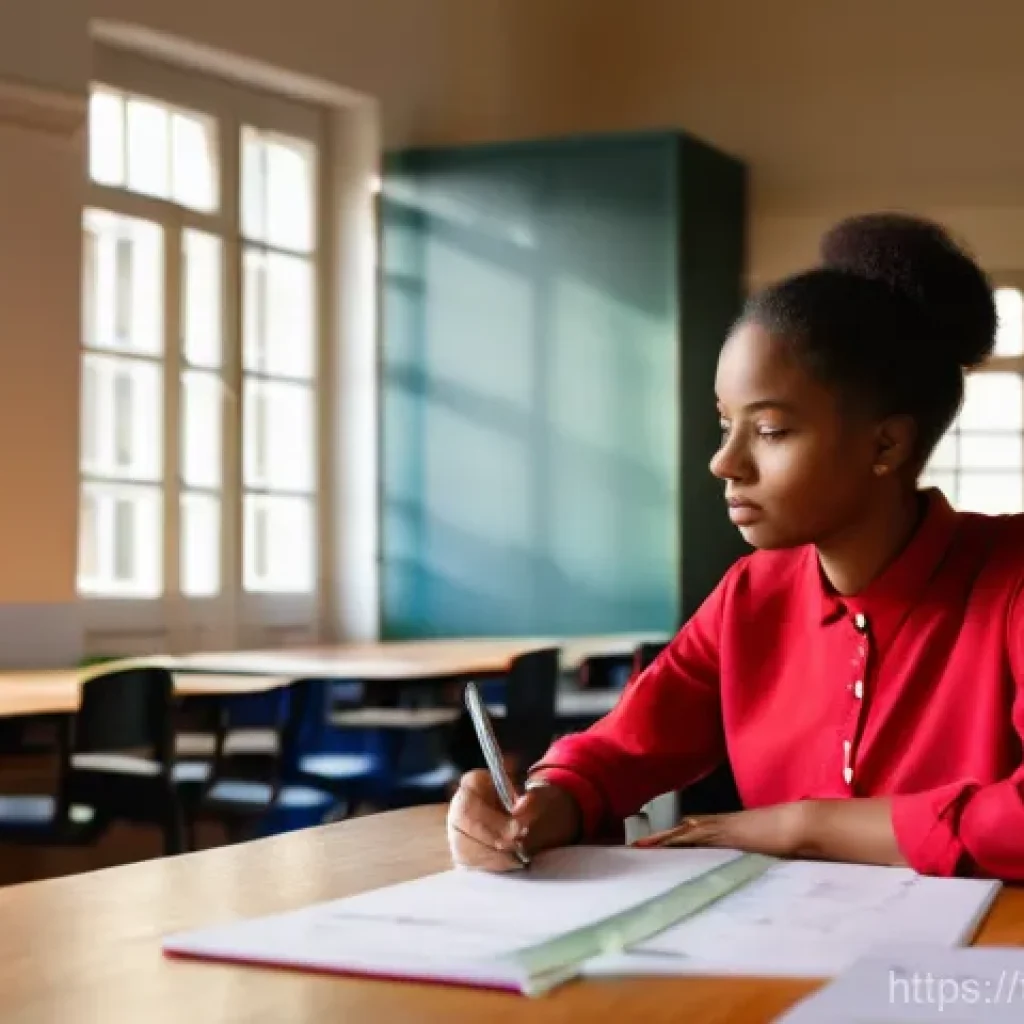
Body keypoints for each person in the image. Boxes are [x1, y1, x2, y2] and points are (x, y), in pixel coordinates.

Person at [446, 212, 1024, 881]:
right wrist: (540, 805)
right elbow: (618, 749)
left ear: (886, 445)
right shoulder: (752, 594)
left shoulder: (1009, 578)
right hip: (781, 964)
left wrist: (801, 824)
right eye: (726, 423)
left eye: (771, 429)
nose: (725, 462)